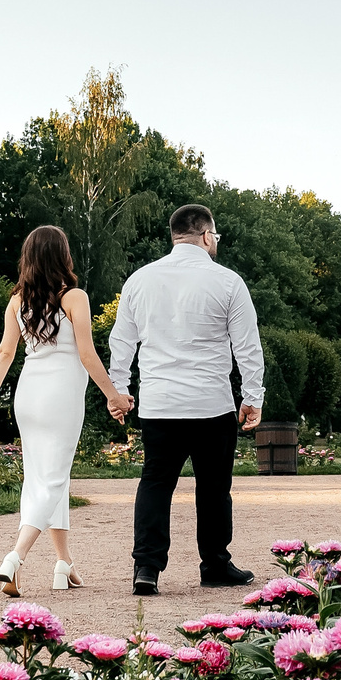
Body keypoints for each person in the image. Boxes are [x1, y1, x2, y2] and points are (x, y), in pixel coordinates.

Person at [107, 203, 263, 596]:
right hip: (211, 404)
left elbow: (122, 341)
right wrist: (252, 396)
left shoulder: (139, 281)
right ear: (207, 235)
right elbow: (248, 348)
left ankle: (147, 568)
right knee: (213, 488)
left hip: (160, 403)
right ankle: (214, 564)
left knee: (155, 483)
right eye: (216, 237)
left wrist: (119, 389)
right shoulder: (228, 282)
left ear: (174, 236)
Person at [0, 226, 128, 596]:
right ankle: (15, 557)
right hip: (60, 397)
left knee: (44, 479)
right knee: (53, 479)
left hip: (28, 396)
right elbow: (88, 355)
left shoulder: (17, 302)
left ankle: (63, 564)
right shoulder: (75, 297)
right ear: (63, 255)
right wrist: (114, 396)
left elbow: (5, 353)